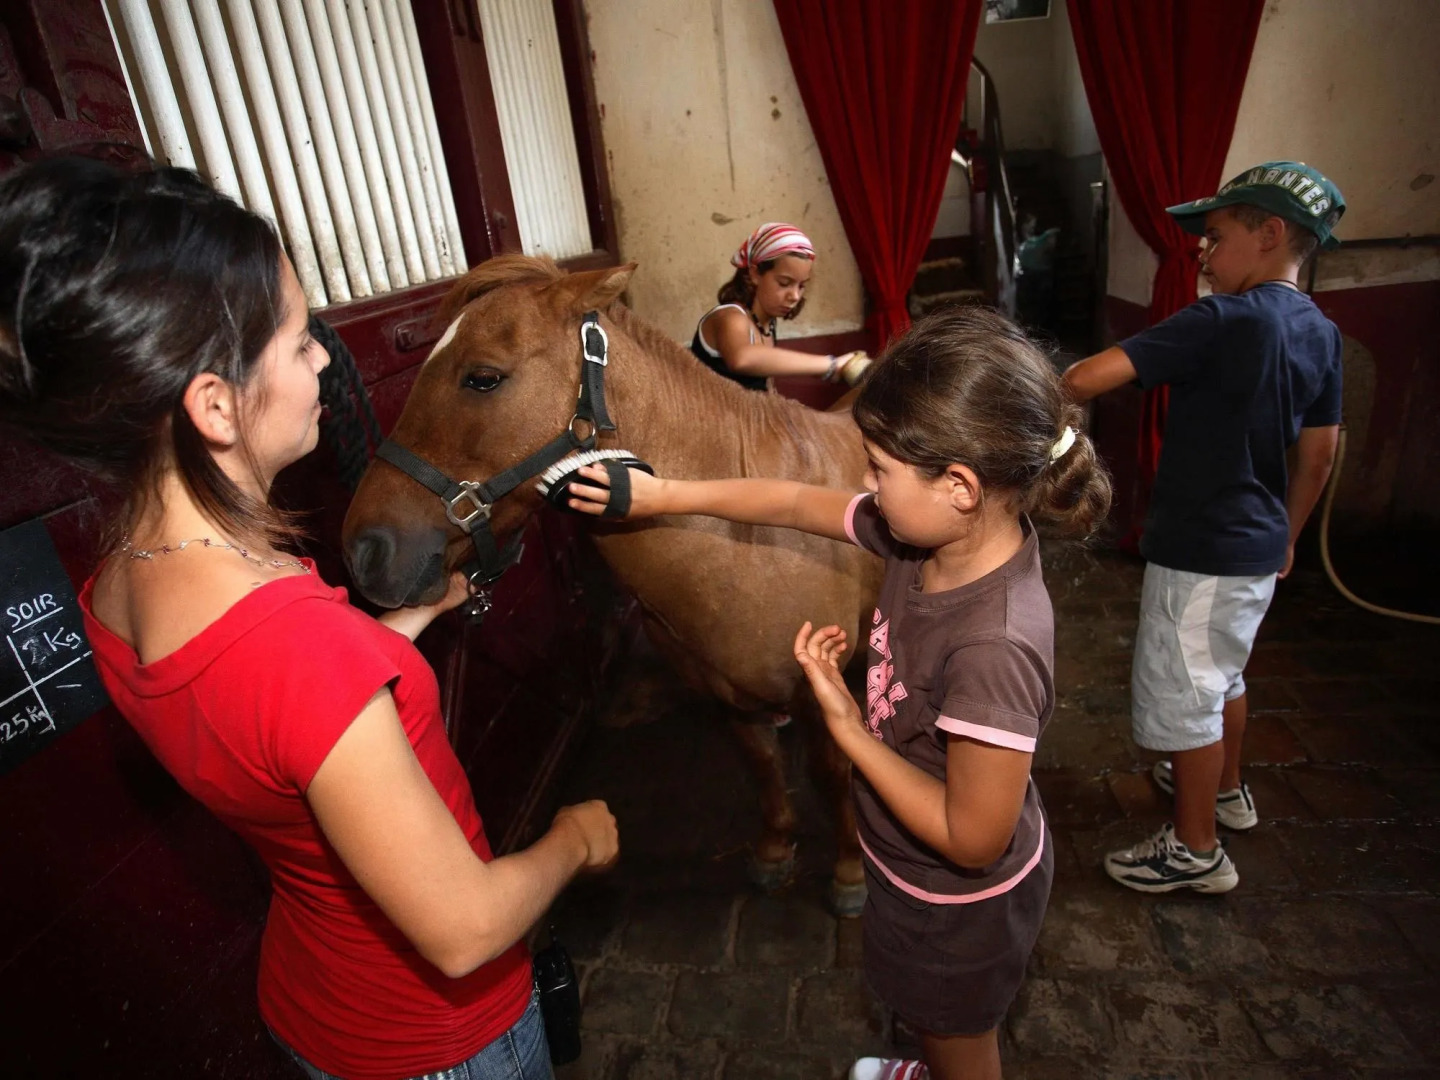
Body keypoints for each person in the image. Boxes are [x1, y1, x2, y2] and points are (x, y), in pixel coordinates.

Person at [0, 156, 619, 1080]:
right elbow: (463, 929)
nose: (326, 361)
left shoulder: (119, 582)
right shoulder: (297, 644)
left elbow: (268, 727)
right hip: (438, 1039)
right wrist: (574, 838)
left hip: (311, 1003)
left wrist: (387, 643)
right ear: (213, 404)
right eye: (298, 344)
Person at [570, 306, 1112, 1080]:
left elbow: (973, 838)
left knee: (959, 1042)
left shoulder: (994, 643)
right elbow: (792, 503)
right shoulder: (917, 533)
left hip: (957, 906)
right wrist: (661, 497)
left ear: (958, 485)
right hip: (906, 865)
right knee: (918, 1018)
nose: (864, 484)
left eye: (879, 471)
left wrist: (852, 732)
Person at [1063, 161, 1345, 895]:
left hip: (1201, 549)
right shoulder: (1321, 332)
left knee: (1187, 695)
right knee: (1223, 675)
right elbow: (1318, 453)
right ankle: (1225, 789)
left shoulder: (1221, 319)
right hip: (1253, 546)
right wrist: (1287, 534)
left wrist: (1038, 385)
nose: (1204, 255)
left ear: (1271, 232)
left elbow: (1086, 379)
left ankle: (1195, 850)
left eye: (1215, 237)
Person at [690, 221, 870, 391]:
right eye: (784, 283)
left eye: (801, 286)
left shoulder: (767, 324)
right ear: (754, 274)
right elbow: (742, 359)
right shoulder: (730, 318)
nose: (795, 296)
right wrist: (831, 365)